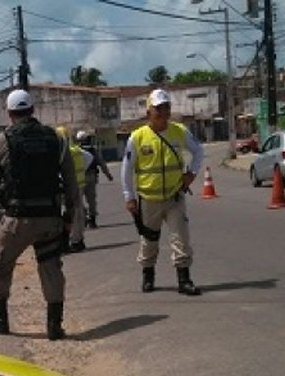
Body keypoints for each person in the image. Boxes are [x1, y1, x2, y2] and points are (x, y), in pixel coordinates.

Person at [0, 89, 78, 341]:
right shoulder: (56, 138)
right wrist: (69, 217)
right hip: (50, 218)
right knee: (51, 268)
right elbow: (71, 182)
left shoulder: (6, 139)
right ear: (32, 111)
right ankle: (54, 326)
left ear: (10, 113)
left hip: (18, 218)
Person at [121, 88, 204, 296]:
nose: (163, 112)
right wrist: (129, 197)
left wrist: (191, 174)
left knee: (181, 238)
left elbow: (198, 151)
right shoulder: (137, 137)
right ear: (149, 112)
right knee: (149, 241)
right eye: (158, 108)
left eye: (166, 107)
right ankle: (148, 276)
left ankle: (184, 279)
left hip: (174, 196)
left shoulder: (179, 131)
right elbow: (127, 168)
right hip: (149, 200)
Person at [57, 126, 92, 253]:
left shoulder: (61, 152)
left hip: (67, 187)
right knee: (79, 213)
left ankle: (73, 241)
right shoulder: (77, 150)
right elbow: (90, 158)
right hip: (79, 185)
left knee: (70, 214)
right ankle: (78, 240)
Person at [77, 130, 112, 229]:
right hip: (91, 178)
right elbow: (101, 163)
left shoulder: (76, 151)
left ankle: (84, 217)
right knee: (91, 200)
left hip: (79, 179)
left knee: (78, 201)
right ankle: (92, 220)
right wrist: (107, 174)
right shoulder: (93, 150)